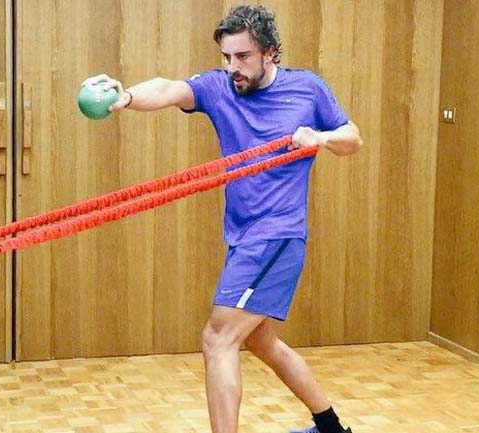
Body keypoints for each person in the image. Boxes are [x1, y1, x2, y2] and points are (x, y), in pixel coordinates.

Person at [82, 5, 361, 433]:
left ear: (270, 53)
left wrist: (319, 137)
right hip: (244, 236)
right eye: (227, 57)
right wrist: (128, 97)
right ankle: (331, 428)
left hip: (277, 236)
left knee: (218, 338)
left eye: (243, 56)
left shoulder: (307, 89)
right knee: (260, 340)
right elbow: (170, 89)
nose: (233, 67)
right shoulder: (220, 87)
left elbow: (352, 138)